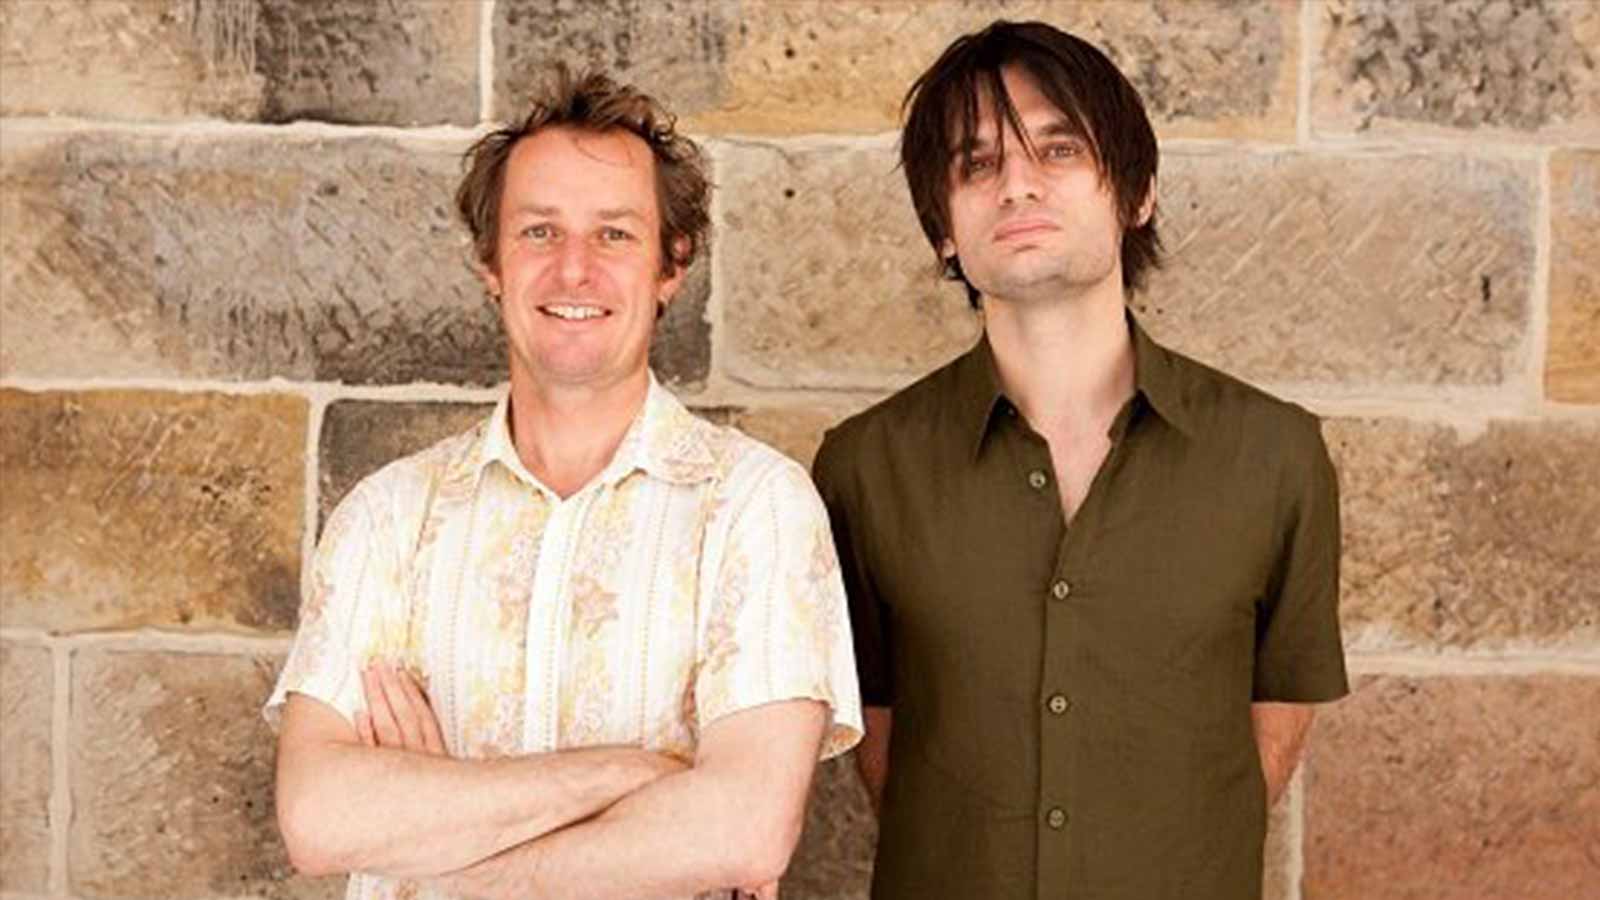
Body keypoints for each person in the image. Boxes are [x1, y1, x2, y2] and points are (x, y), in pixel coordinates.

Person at [266, 69, 862, 900]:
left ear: (671, 266)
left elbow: (744, 830)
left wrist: (441, 849)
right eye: (539, 232)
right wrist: (631, 775)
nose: (573, 270)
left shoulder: (754, 506)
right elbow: (320, 819)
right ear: (490, 263)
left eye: (614, 235)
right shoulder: (389, 517)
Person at [811, 20, 1347, 900]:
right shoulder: (865, 469)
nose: (1017, 183)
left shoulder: (1274, 454)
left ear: (1135, 193)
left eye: (1058, 148)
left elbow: (1275, 722)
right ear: (943, 229)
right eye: (976, 163)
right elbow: (877, 735)